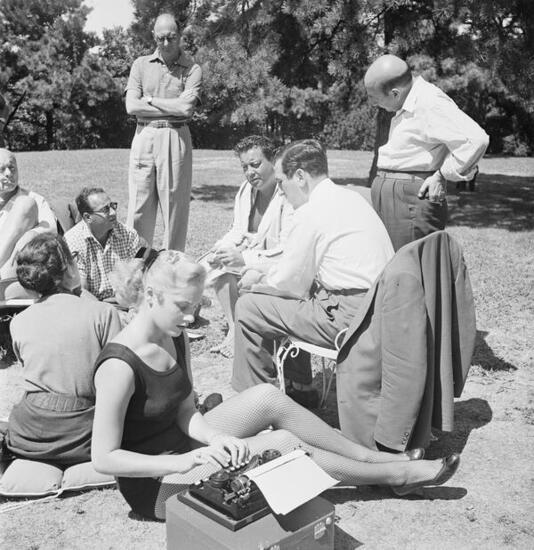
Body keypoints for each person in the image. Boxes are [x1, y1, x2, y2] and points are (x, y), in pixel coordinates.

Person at [91, 249, 460, 521]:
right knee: (281, 444)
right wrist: (186, 460)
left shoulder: (174, 333)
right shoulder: (118, 365)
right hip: (157, 485)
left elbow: (186, 411)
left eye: (195, 306)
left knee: (267, 396)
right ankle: (395, 474)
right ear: (151, 296)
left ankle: (368, 456)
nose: (191, 317)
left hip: (183, 447)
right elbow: (103, 458)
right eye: (182, 306)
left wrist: (214, 439)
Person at [231, 140, 394, 407]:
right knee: (294, 302)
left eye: (281, 182)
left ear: (300, 177)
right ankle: (299, 388)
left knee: (249, 307)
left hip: (349, 317)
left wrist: (256, 281)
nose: (281, 192)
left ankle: (256, 404)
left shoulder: (311, 211)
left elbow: (289, 284)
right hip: (379, 307)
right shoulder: (351, 197)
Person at [5, 233, 121, 466]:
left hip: (29, 435)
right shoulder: (102, 313)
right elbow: (119, 379)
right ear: (68, 269)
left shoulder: (19, 322)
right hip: (84, 432)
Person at [364, 54, 489, 251]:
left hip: (410, 203)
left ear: (395, 93)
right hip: (395, 200)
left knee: (411, 264)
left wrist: (441, 175)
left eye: (375, 98)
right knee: (392, 263)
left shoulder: (430, 101)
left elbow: (475, 139)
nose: (372, 103)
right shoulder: (408, 102)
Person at [207, 135, 293, 357]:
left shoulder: (287, 194)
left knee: (249, 278)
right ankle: (234, 330)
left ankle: (252, 336)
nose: (250, 172)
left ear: (273, 161)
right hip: (250, 252)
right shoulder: (246, 190)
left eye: (255, 164)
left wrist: (244, 259)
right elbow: (237, 229)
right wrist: (221, 249)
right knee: (218, 272)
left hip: (276, 261)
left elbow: (287, 249)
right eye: (245, 167)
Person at [125, 12, 202, 251]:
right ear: (153, 36)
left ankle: (172, 267)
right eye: (161, 38)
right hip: (144, 136)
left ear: (180, 35)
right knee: (138, 208)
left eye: (171, 37)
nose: (166, 43)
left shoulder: (192, 68)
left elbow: (186, 109)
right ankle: (137, 264)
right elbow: (132, 106)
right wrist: (172, 106)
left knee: (174, 211)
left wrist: (150, 100)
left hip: (175, 137)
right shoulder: (140, 64)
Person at [64, 187, 145, 302]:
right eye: (105, 209)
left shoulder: (128, 234)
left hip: (127, 302)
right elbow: (80, 291)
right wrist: (104, 309)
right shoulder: (73, 241)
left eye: (112, 206)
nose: (113, 212)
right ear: (88, 217)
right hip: (93, 306)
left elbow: (139, 279)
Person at [0, 148, 56, 285]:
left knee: (25, 204)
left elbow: (52, 229)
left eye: (12, 168)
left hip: (15, 270)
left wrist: (30, 234)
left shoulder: (33, 199)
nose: (9, 173)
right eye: (1, 169)